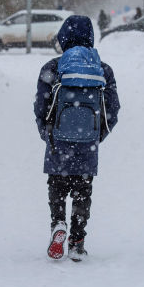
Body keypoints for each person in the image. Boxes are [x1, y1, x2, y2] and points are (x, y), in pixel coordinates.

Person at [33, 15, 120, 262]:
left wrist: (46, 133)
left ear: (63, 38)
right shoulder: (103, 70)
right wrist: (97, 136)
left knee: (57, 187)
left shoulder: (52, 68)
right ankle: (77, 242)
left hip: (57, 141)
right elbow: (113, 109)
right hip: (87, 141)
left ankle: (58, 224)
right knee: (83, 191)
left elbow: (41, 105)